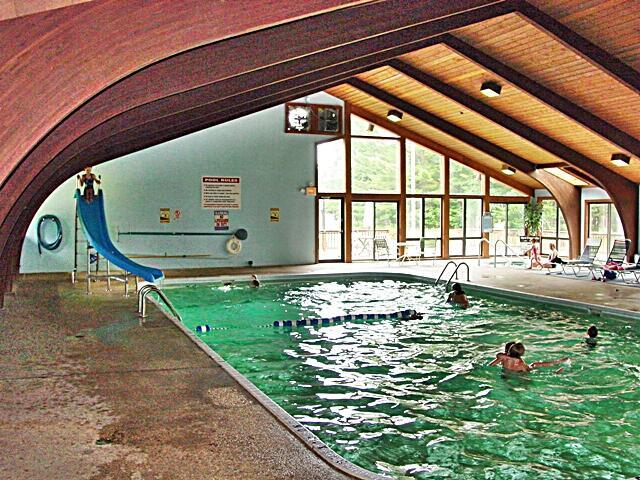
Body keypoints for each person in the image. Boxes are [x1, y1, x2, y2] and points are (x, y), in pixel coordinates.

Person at [492, 342, 569, 372]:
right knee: (535, 364)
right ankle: (555, 371)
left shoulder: (502, 357)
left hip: (505, 373)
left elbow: (492, 365)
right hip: (519, 373)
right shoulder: (521, 364)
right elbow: (528, 372)